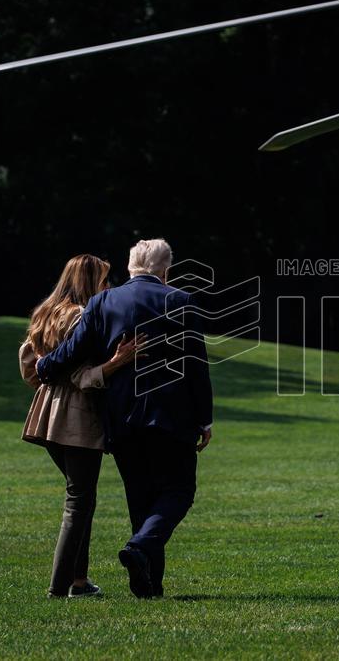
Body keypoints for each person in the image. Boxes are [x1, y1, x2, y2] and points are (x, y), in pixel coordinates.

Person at [36, 238, 213, 598]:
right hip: (172, 415)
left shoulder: (102, 302)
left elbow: (72, 352)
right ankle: (140, 550)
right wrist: (204, 419)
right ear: (166, 271)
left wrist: (45, 366)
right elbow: (197, 367)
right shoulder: (181, 301)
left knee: (140, 499)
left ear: (130, 267)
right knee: (179, 491)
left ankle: (149, 585)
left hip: (121, 418)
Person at [19, 254, 143, 598]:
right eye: (104, 280)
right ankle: (61, 587)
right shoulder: (80, 316)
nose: (108, 287)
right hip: (76, 418)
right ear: (89, 283)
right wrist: (116, 362)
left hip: (46, 415)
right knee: (78, 501)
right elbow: (80, 377)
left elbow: (30, 366)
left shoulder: (45, 313)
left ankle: (79, 580)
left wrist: (50, 384)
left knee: (82, 497)